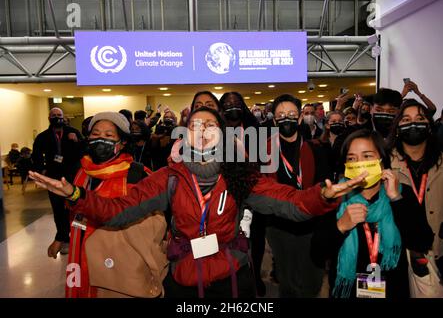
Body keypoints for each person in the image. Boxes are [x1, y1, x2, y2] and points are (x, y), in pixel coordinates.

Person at [30, 107, 368, 298]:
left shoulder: (239, 176)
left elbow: (289, 203)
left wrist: (321, 196)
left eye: (210, 125)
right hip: (184, 280)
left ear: (222, 135)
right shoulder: (169, 177)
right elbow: (118, 212)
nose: (202, 130)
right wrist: (76, 196)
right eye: (194, 125)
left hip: (233, 277)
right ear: (184, 136)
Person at [311, 129, 434, 298]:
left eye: (367, 156)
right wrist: (340, 226)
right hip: (348, 291)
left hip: (394, 289)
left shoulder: (401, 193)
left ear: (382, 161)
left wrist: (396, 200)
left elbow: (422, 242)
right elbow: (317, 253)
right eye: (352, 158)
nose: (359, 163)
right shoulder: (336, 197)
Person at [64, 111, 154, 298]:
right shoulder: (82, 171)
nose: (100, 139)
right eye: (95, 134)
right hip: (81, 254)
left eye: (108, 135)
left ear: (122, 143)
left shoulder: (137, 174)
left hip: (119, 264)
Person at [265, 94, 332, 297]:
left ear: (300, 118)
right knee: (287, 280)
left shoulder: (316, 148)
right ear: (275, 121)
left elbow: (324, 187)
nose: (287, 118)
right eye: (281, 115)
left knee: (311, 279)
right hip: (279, 224)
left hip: (310, 223)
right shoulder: (263, 148)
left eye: (292, 114)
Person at [389, 100, 443, 286]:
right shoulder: (384, 162)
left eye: (419, 118)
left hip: (439, 249)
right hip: (397, 249)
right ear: (398, 127)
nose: (413, 123)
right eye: (406, 119)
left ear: (430, 126)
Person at [219, 91, 266, 295]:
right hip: (223, 193)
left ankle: (255, 276)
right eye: (228, 103)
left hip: (252, 189)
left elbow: (261, 162)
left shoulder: (255, 130)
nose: (232, 106)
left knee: (255, 235)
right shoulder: (214, 132)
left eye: (237, 102)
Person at [32, 107, 83, 258]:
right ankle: (63, 238)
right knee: (58, 209)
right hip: (53, 178)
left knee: (75, 208)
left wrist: (77, 141)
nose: (57, 117)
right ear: (49, 118)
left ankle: (77, 238)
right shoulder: (43, 136)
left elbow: (84, 150)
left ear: (64, 117)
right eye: (54, 115)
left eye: (59, 115)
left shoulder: (73, 132)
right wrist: (41, 171)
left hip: (73, 177)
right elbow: (36, 155)